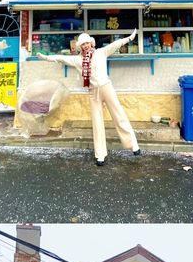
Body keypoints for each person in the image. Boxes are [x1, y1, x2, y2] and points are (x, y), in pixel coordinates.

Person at [37, 30, 141, 166]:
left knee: (119, 115)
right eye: (83, 44)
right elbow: (62, 58)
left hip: (106, 87)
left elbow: (115, 44)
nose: (86, 46)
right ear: (80, 46)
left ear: (91, 43)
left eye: (87, 43)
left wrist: (130, 38)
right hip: (93, 92)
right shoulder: (78, 60)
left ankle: (133, 145)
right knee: (97, 122)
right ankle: (100, 155)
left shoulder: (101, 53)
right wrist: (45, 57)